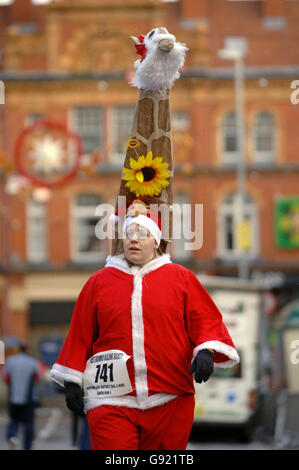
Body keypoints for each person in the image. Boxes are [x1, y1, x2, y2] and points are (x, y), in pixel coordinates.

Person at [50, 198, 239, 450]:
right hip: (110, 399)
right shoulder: (98, 282)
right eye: (129, 233)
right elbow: (80, 334)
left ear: (157, 241)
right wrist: (72, 380)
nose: (134, 239)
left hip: (170, 396)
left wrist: (205, 349)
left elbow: (204, 319)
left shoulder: (181, 278)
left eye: (142, 233)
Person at [2, 343, 44, 450]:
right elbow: (40, 376)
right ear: (27, 350)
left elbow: (4, 376)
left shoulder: (10, 361)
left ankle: (12, 436)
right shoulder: (33, 361)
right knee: (29, 424)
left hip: (14, 397)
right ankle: (27, 446)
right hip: (29, 398)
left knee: (14, 420)